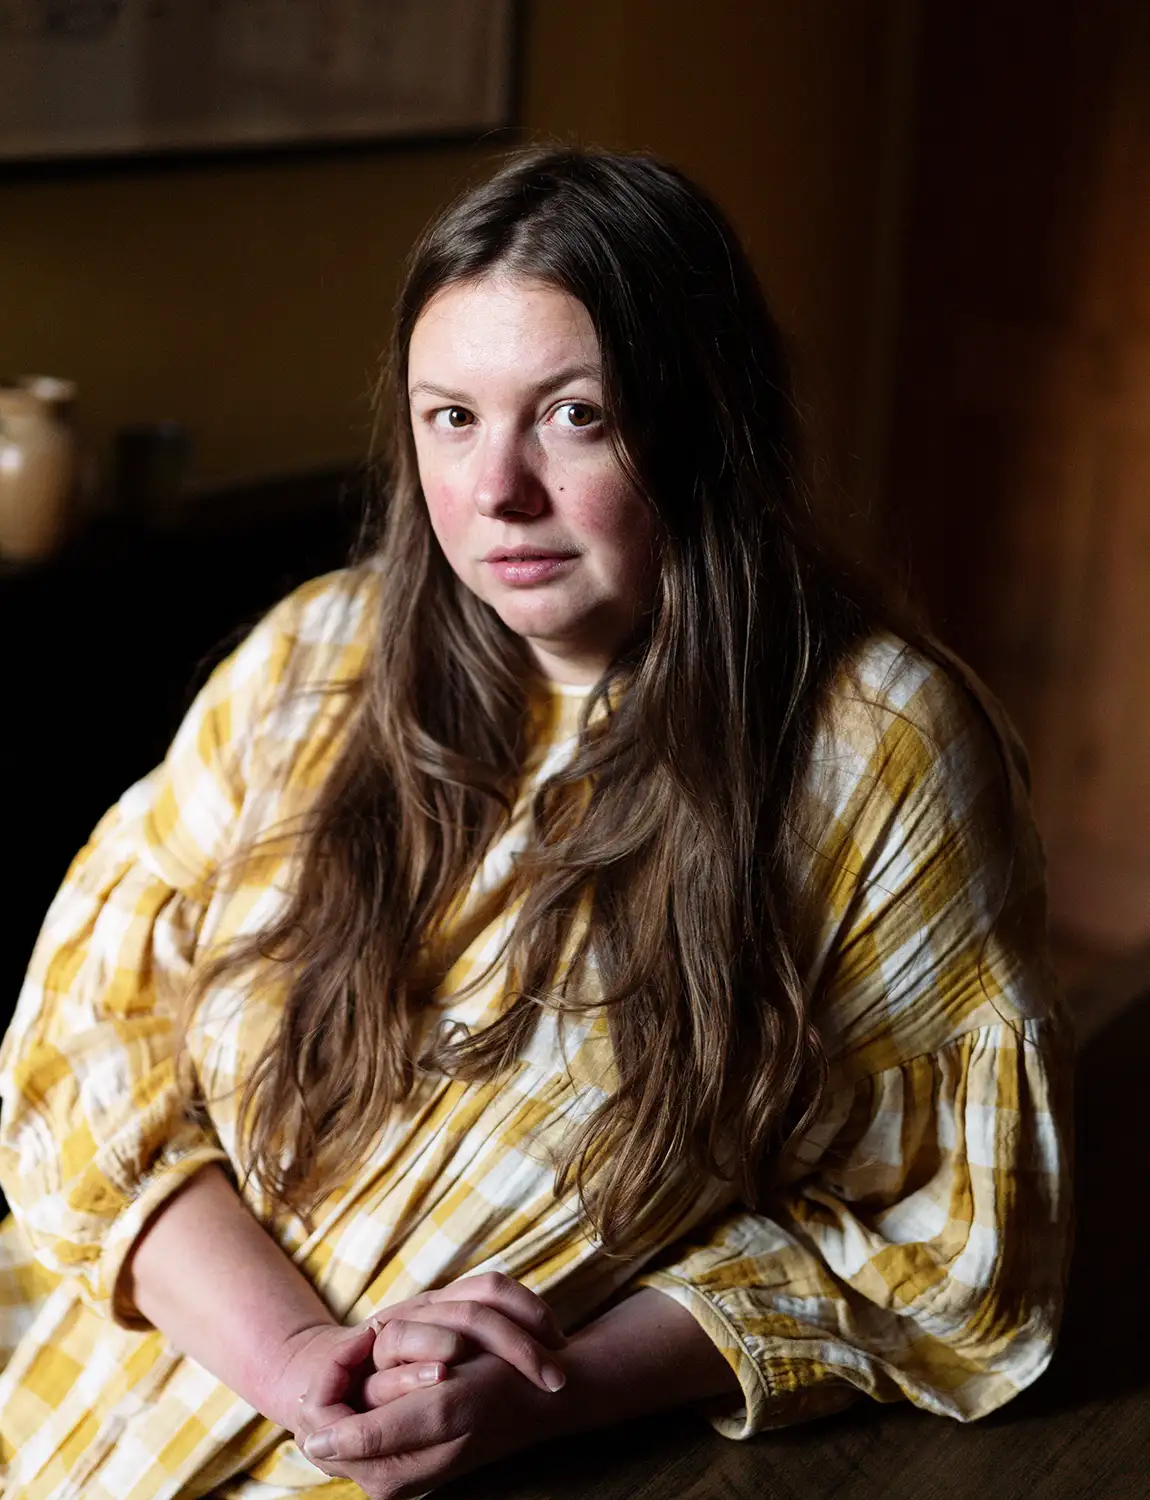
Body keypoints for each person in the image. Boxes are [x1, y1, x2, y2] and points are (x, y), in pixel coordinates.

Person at [0, 148, 1072, 1500]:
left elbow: (935, 1244)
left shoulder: (875, 749)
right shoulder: (311, 661)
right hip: (67, 1419)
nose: (497, 488)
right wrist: (293, 1359)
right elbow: (89, 1054)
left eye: (574, 415)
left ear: (705, 420)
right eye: (451, 417)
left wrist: (556, 1385)